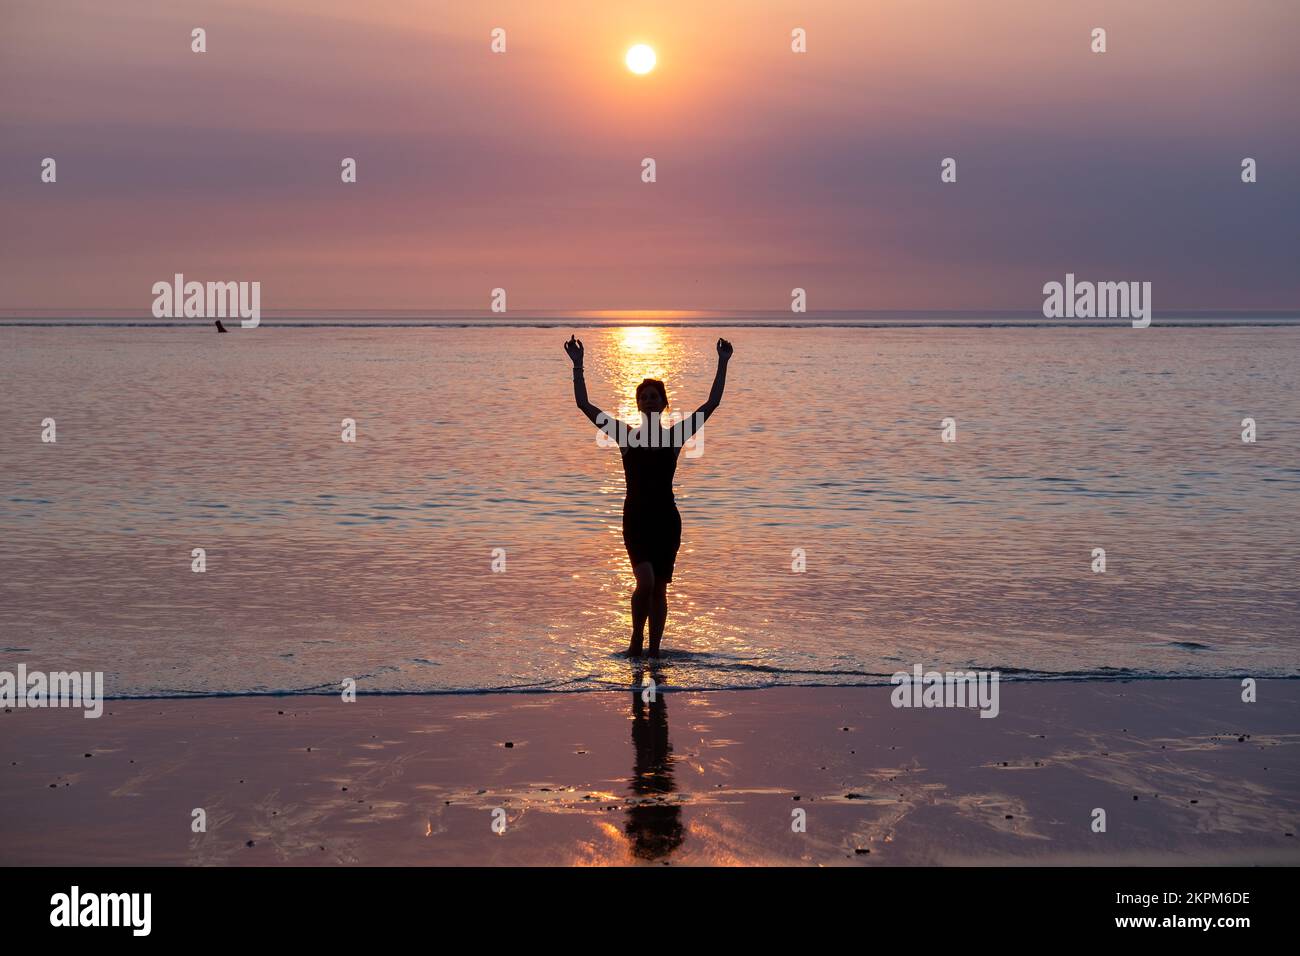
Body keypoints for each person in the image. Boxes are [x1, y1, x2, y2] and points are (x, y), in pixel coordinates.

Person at [564, 334, 733, 656]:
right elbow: (584, 405)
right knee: (645, 583)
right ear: (638, 404)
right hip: (637, 518)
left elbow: (711, 404)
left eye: (655, 396)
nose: (650, 400)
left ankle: (654, 651)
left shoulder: (675, 437)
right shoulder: (625, 436)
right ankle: (636, 641)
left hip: (666, 520)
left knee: (660, 589)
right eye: (645, 397)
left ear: (664, 403)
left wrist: (723, 362)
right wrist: (578, 366)